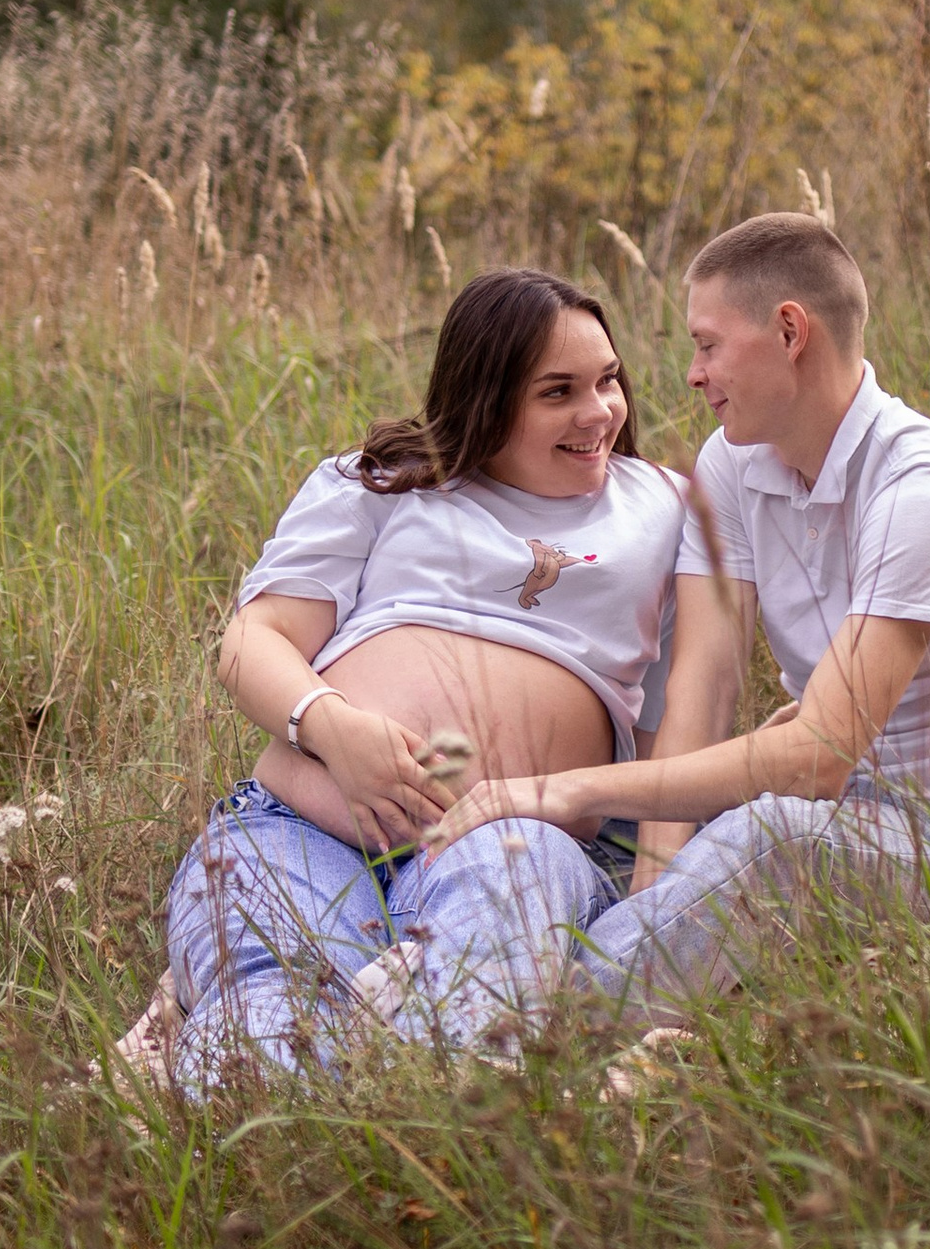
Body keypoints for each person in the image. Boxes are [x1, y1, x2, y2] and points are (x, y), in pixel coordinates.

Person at [397, 210, 930, 1031]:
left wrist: (559, 790)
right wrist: (654, 882)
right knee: (667, 849)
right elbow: (702, 687)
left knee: (769, 836)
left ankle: (489, 1034)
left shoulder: (923, 491)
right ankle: (473, 998)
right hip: (817, 822)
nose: (692, 374)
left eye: (707, 344)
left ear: (788, 331)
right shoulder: (733, 464)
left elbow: (819, 759)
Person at [151, 268, 684, 1083]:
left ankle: (406, 1132)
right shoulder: (379, 481)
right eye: (558, 392)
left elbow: (676, 724)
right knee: (258, 1039)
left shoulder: (666, 510)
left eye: (609, 380)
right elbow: (251, 641)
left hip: (513, 839)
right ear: (487, 397)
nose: (599, 411)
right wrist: (336, 729)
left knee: (471, 1012)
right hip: (300, 824)